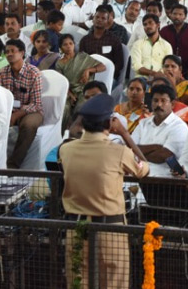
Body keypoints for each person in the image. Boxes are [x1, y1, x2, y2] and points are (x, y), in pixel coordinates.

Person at [57, 92, 149, 289]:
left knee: (78, 282)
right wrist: (124, 134)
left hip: (76, 228)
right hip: (110, 230)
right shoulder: (119, 152)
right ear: (109, 124)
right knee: (113, 283)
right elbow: (144, 169)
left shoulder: (66, 150)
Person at [0, 38, 44, 168]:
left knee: (29, 125)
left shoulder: (33, 72)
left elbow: (37, 103)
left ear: (22, 53)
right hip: (8, 110)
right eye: (7, 52)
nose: (9, 54)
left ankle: (13, 165)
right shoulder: (2, 72)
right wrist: (7, 113)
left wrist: (17, 115)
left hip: (30, 111)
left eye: (13, 51)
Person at [132, 82, 188, 177]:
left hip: (163, 180)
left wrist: (138, 153)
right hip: (138, 177)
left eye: (163, 101)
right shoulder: (143, 123)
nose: (159, 104)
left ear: (173, 104)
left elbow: (163, 156)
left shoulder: (179, 126)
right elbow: (130, 150)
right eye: (155, 100)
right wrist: (156, 147)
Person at [129, 13, 172, 80]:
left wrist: (158, 76)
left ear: (158, 25)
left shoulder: (166, 45)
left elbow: (167, 66)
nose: (147, 26)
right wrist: (154, 74)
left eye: (150, 23)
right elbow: (136, 66)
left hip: (161, 79)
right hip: (141, 79)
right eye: (145, 24)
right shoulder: (138, 44)